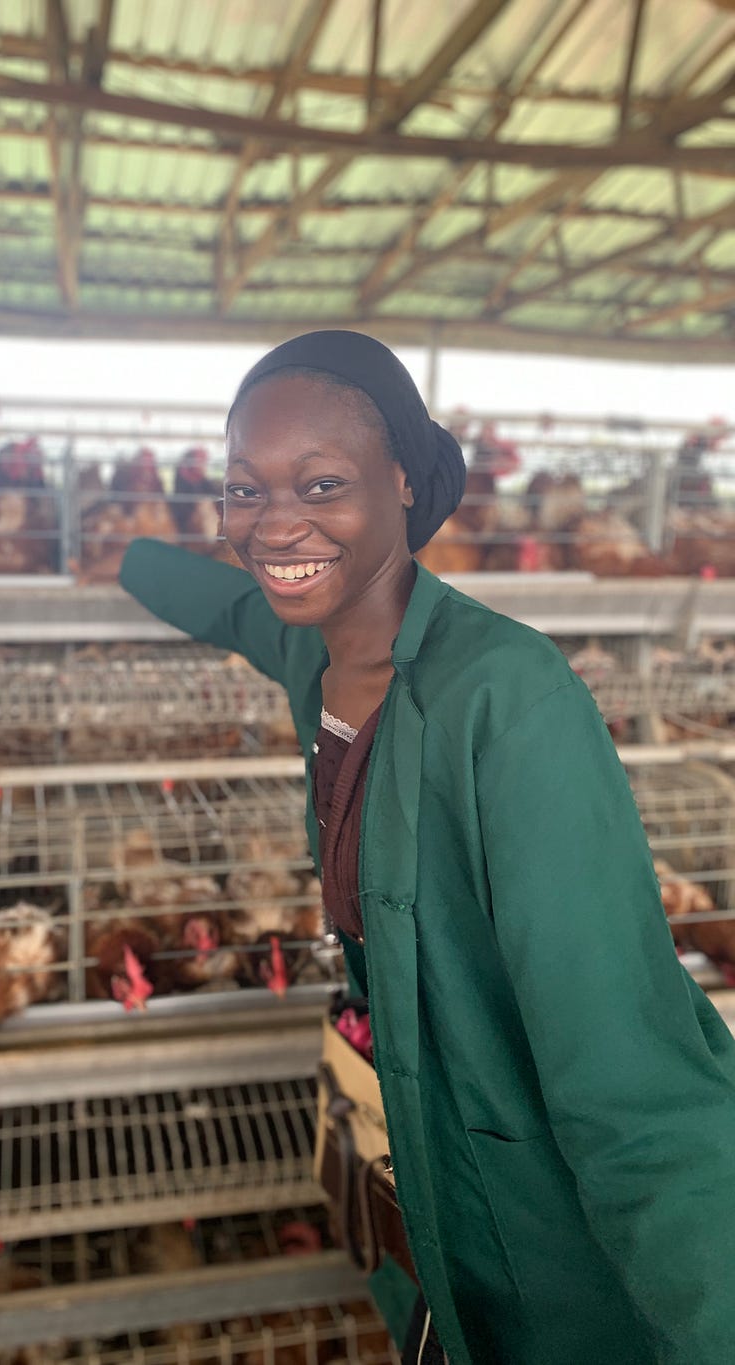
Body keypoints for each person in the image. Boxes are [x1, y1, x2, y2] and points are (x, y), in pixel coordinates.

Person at [119, 330, 735, 1365]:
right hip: (437, 1163)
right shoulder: (314, 650)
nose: (275, 526)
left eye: (320, 485)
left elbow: (633, 1084)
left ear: (402, 482)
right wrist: (126, 562)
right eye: (243, 491)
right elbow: (228, 604)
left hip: (556, 1224)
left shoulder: (507, 700)